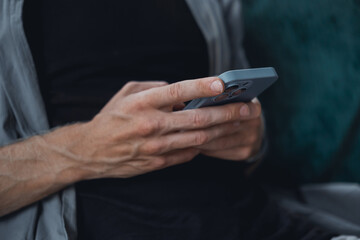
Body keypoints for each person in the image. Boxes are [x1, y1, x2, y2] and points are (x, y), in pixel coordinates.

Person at [0, 0, 338, 239]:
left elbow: (246, 135)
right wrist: (81, 151)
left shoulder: (214, 5)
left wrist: (251, 139)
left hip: (261, 222)